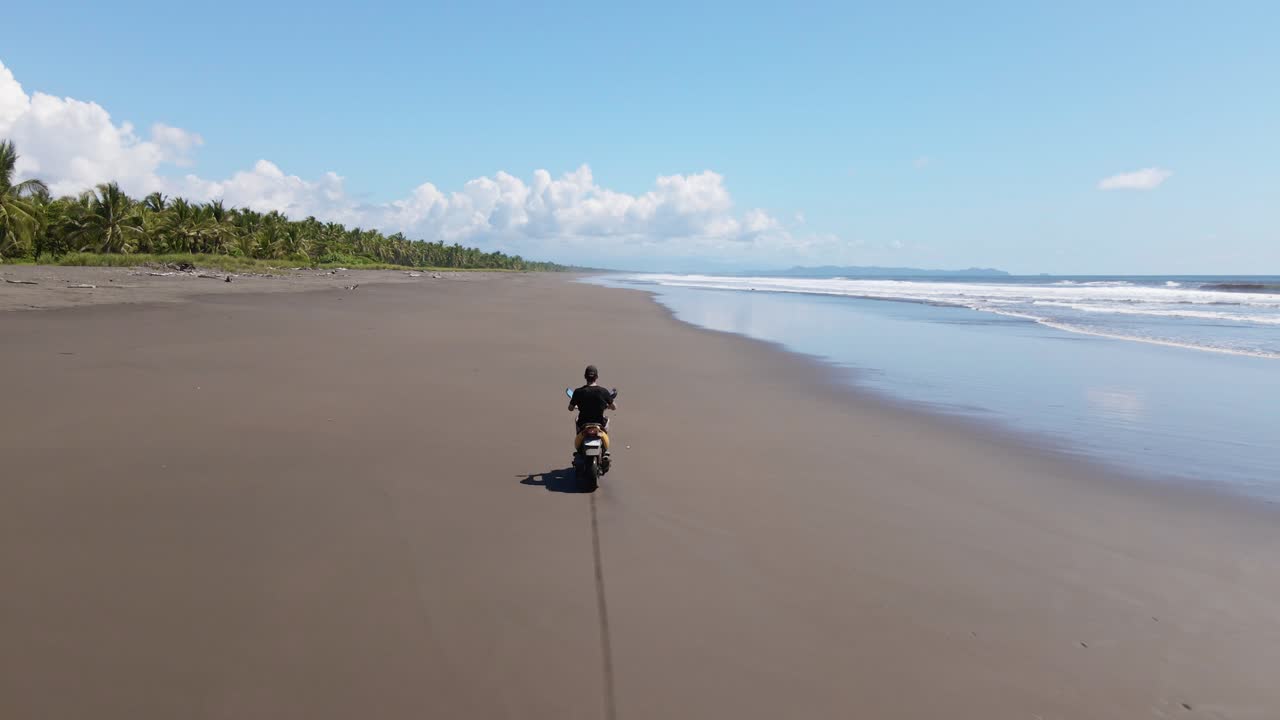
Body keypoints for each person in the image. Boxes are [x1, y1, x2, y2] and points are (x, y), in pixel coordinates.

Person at [569, 365, 616, 458]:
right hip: (599, 423)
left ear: (585, 376)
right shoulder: (603, 391)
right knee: (607, 420)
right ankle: (604, 446)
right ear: (597, 377)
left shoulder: (578, 392)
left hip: (583, 423)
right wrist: (608, 406)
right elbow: (614, 407)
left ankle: (580, 441)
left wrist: (576, 405)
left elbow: (570, 408)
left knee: (576, 419)